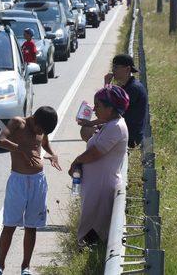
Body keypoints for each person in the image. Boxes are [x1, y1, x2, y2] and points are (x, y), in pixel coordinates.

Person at [0, 106, 61, 275]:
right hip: (18, 181)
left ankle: (25, 267)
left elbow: (44, 142)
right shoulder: (17, 123)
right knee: (10, 224)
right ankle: (0, 266)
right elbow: (0, 140)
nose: (41, 132)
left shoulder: (42, 129)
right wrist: (21, 149)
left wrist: (52, 154)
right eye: (40, 128)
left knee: (32, 226)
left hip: (38, 181)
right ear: (34, 119)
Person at [70, 85, 129, 245]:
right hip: (95, 186)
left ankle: (87, 251)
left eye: (98, 106)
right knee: (89, 222)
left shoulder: (115, 127)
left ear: (110, 108)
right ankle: (86, 248)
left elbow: (95, 152)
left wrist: (76, 161)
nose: (95, 109)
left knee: (93, 228)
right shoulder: (109, 124)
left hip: (101, 188)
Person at [78, 54, 148, 148]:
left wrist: (91, 123)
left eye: (116, 67)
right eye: (112, 67)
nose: (113, 70)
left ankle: (101, 157)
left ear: (127, 69)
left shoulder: (133, 88)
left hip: (130, 135)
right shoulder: (126, 86)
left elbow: (109, 112)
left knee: (87, 131)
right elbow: (108, 106)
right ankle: (100, 155)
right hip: (122, 128)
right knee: (86, 130)